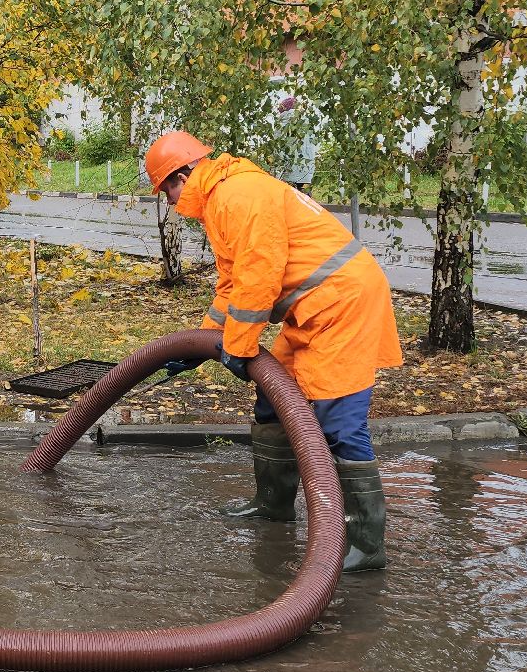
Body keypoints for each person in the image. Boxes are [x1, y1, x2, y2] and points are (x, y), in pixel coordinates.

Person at [144, 130, 402, 571]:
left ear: (184, 174)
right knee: (272, 403)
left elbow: (261, 275)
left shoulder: (237, 195)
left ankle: (366, 542)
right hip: (313, 307)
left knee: (336, 419)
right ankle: (273, 505)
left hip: (341, 303)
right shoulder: (223, 200)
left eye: (168, 188)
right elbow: (233, 285)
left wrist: (239, 348)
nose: (169, 200)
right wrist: (203, 342)